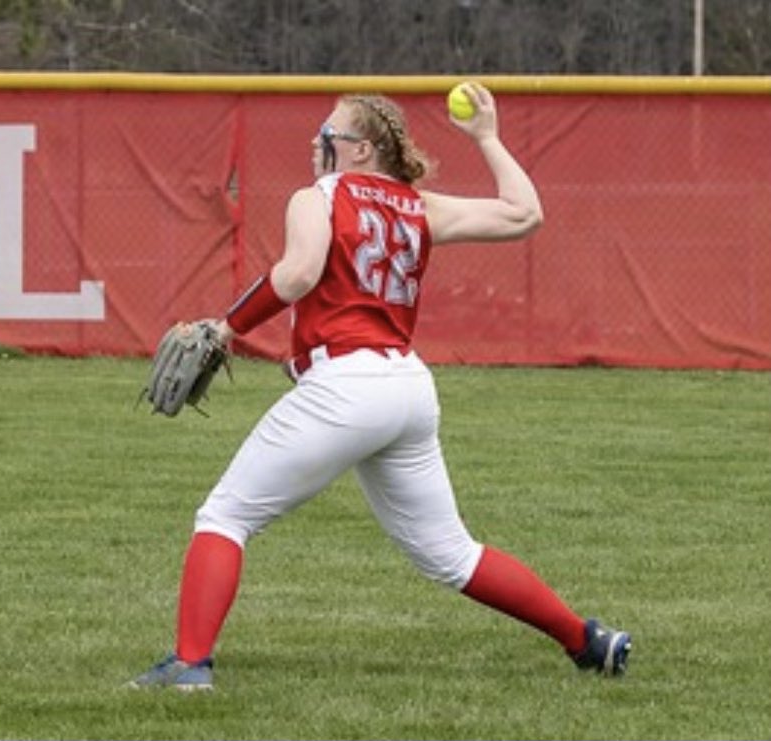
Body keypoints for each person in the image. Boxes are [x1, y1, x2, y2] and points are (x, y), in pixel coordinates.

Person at [128, 82, 632, 691]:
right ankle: (586, 640)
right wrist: (488, 139)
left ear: (361, 149)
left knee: (225, 515)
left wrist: (227, 326)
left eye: (329, 136)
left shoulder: (318, 196)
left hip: (348, 385)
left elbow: (297, 274)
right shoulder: (416, 205)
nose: (318, 144)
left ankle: (188, 664)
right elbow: (525, 213)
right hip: (406, 388)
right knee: (451, 554)